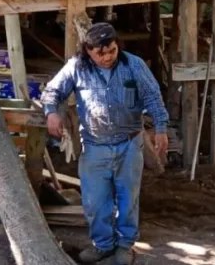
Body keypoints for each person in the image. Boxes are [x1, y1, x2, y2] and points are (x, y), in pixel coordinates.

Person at [41, 22, 169, 265]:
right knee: (95, 201)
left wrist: (161, 129)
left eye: (111, 50)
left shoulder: (134, 65)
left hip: (129, 144)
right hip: (94, 146)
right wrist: (51, 112)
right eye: (100, 53)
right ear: (88, 50)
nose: (107, 57)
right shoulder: (76, 67)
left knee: (127, 199)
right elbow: (53, 91)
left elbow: (153, 96)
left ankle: (125, 245)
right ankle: (103, 245)